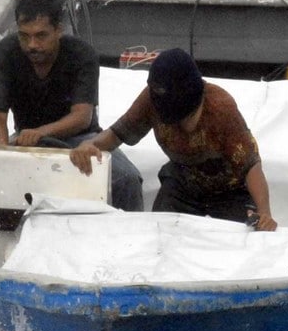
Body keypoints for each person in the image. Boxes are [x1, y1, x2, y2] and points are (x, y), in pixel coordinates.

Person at [68, 48, 276, 230]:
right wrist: (90, 144)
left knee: (243, 239)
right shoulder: (151, 98)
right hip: (183, 181)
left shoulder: (221, 109)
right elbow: (117, 134)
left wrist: (265, 213)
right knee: (160, 233)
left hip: (229, 189)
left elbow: (251, 166)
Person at [0, 0, 144, 211]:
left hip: (82, 138)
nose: (32, 45)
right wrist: (1, 154)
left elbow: (81, 116)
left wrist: (41, 132)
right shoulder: (6, 52)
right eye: (24, 36)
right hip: (27, 140)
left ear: (58, 30)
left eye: (41, 36)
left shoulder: (81, 55)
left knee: (127, 179)